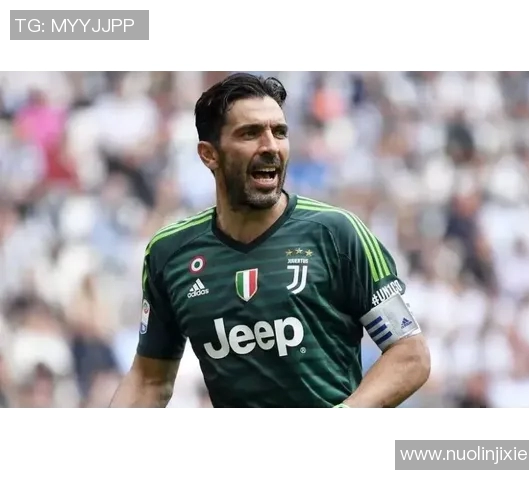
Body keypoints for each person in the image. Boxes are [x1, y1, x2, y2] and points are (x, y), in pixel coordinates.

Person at [109, 73, 430, 408]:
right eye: (250, 133)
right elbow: (149, 379)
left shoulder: (336, 234)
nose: (270, 146)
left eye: (279, 132)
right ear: (209, 155)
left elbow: (410, 353)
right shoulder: (170, 253)